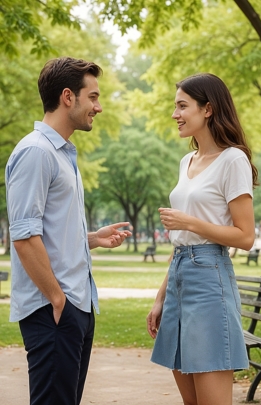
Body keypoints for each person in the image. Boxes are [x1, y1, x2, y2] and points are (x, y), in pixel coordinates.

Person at [5, 57, 132, 405]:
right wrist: (57, 298)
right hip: (54, 308)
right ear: (67, 97)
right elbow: (24, 236)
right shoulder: (36, 152)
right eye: (92, 97)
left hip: (75, 305)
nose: (99, 107)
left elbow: (45, 231)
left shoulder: (61, 154)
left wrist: (91, 239)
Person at [146, 73, 257, 405]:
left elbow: (246, 236)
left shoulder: (233, 159)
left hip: (210, 280)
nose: (174, 114)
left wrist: (190, 221)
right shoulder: (187, 161)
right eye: (175, 106)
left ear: (207, 109)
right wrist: (161, 296)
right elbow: (182, 241)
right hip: (180, 275)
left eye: (182, 106)